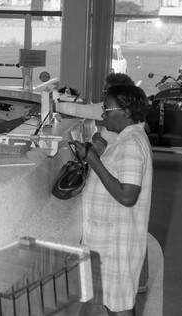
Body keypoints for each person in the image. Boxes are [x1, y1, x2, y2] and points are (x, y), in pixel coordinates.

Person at [74, 84, 152, 316]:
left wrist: (93, 160)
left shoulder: (130, 144)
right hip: (112, 237)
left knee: (119, 306)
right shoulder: (126, 139)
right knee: (114, 302)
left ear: (126, 111)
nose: (102, 114)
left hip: (118, 241)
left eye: (106, 109)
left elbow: (127, 196)